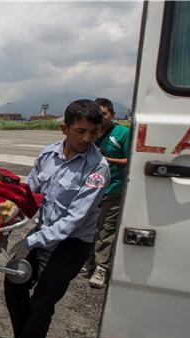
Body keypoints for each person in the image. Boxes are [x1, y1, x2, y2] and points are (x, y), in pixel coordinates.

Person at [0, 99, 110, 338]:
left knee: (43, 300)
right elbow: (27, 196)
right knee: (13, 284)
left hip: (71, 243)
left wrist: (30, 242)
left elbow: (74, 220)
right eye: (80, 131)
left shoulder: (97, 168)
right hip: (42, 234)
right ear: (64, 128)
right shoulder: (48, 155)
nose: (86, 139)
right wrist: (6, 227)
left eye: (93, 132)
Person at [84, 98, 130, 288]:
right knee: (89, 226)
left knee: (106, 229)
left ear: (112, 114)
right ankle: (89, 262)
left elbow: (131, 160)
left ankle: (101, 267)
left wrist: (107, 159)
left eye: (104, 114)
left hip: (114, 189)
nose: (100, 118)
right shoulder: (89, 132)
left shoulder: (123, 133)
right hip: (92, 190)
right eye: (97, 114)